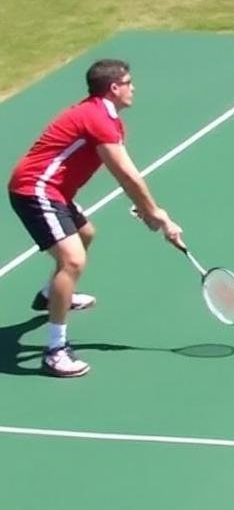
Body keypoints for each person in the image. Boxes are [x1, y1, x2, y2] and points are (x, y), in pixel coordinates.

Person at [8, 59, 183, 378]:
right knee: (72, 261)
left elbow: (127, 175)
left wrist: (147, 210)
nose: (134, 88)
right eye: (129, 82)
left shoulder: (109, 119)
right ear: (114, 88)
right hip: (35, 189)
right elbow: (127, 176)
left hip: (55, 192)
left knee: (85, 234)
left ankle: (51, 296)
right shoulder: (97, 118)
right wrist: (157, 214)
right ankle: (55, 351)